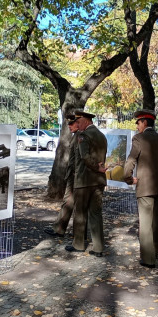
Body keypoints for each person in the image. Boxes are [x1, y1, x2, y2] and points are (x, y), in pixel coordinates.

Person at [123, 109, 158, 268]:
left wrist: (127, 178)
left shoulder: (139, 139)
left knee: (146, 224)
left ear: (145, 122)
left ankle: (148, 259)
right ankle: (154, 252)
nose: (137, 127)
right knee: (157, 222)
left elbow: (131, 160)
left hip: (145, 188)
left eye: (138, 123)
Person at [65, 109, 107, 257]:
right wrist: (100, 169)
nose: (77, 124)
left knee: (80, 213)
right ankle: (98, 247)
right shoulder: (102, 136)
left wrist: (96, 167)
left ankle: (78, 244)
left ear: (86, 121)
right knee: (96, 213)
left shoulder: (83, 135)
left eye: (78, 121)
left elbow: (84, 157)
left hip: (84, 181)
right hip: (99, 181)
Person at [43, 115, 80, 237]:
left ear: (78, 123)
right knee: (69, 202)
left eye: (72, 124)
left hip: (76, 176)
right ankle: (63, 229)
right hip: (73, 175)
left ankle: (62, 230)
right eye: (68, 124)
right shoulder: (77, 136)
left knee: (69, 201)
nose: (69, 126)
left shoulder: (80, 136)